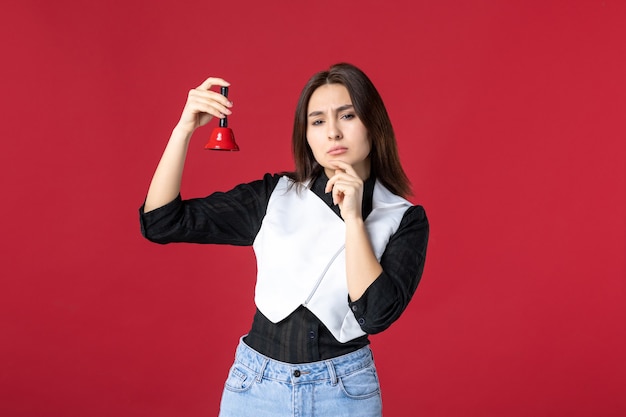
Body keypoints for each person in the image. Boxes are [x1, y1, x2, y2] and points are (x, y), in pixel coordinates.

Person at [139, 63, 429, 417]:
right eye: (318, 121)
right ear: (306, 135)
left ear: (373, 123)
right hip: (255, 388)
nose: (333, 132)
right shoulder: (273, 195)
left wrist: (353, 219)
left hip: (346, 392)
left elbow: (375, 315)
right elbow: (162, 222)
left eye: (348, 115)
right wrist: (183, 129)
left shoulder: (403, 217)